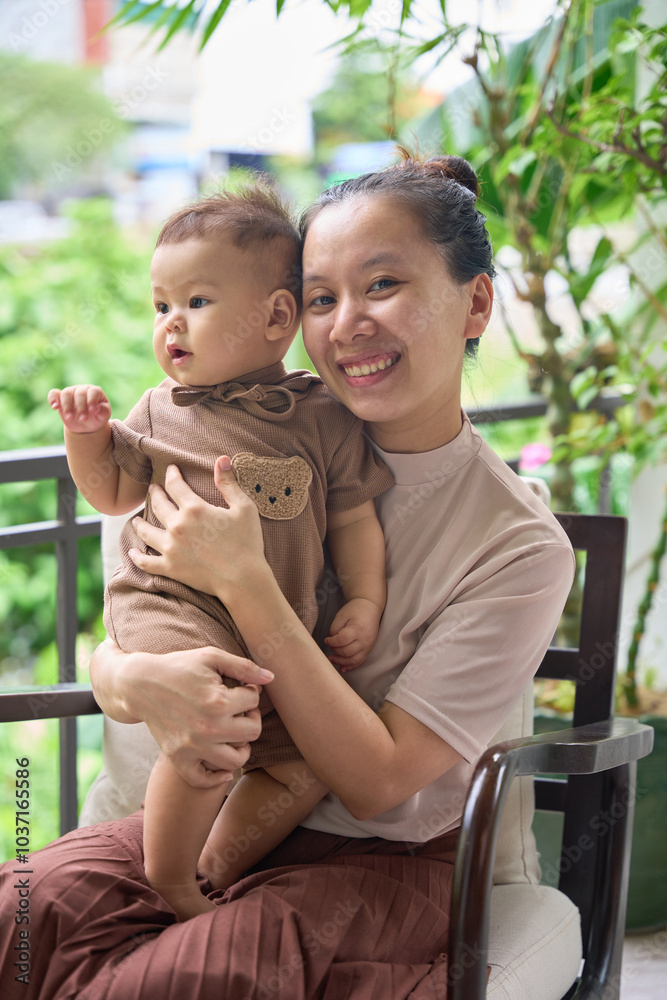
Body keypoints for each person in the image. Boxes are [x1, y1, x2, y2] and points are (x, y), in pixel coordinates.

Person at [0, 152, 575, 999]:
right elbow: (150, 610)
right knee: (22, 913)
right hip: (212, 810)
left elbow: (377, 784)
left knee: (170, 981)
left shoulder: (518, 545)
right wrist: (124, 676)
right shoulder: (225, 433)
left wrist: (249, 586)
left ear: (475, 303)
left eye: (383, 285)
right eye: (321, 297)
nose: (346, 325)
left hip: (376, 856)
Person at [47, 184, 393, 921]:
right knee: (211, 726)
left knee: (301, 769)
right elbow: (111, 494)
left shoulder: (323, 418)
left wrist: (365, 599)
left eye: (196, 302)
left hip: (272, 635)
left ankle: (211, 867)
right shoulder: (158, 411)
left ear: (276, 317)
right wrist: (86, 439)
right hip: (168, 605)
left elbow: (354, 518)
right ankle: (169, 878)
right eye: (160, 305)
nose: (170, 323)